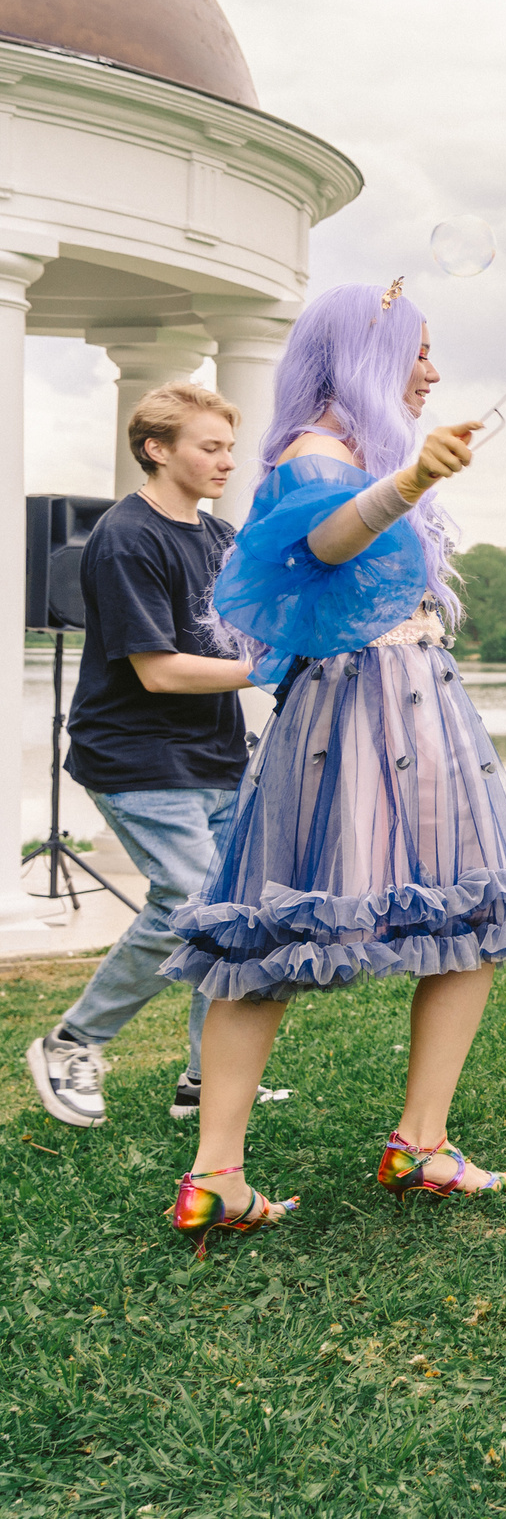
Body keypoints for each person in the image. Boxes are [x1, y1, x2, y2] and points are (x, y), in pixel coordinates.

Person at [158, 280, 506, 1244]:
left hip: (393, 701)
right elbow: (329, 540)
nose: (431, 370)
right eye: (417, 351)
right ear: (367, 354)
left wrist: (412, 473)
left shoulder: (350, 453)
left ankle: (381, 1147)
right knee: (288, 934)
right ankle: (273, 1163)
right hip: (369, 705)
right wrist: (415, 479)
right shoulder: (316, 453)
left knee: (463, 915)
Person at [22, 384, 292, 1128]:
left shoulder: (217, 535)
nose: (227, 462)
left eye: (229, 448)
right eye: (211, 447)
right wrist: (272, 669)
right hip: (135, 755)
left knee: (229, 907)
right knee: (189, 902)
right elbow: (160, 669)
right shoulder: (125, 537)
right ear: (157, 449)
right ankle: (73, 1040)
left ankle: (208, 1080)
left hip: (215, 754)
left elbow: (248, 628)